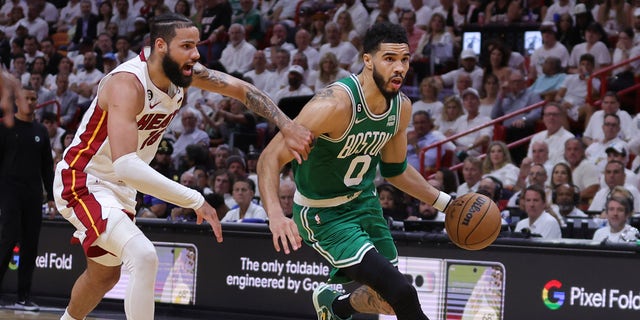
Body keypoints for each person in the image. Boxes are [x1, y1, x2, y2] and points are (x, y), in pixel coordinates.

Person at [53, 13, 312, 320]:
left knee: (103, 278)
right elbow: (125, 165)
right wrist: (194, 198)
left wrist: (287, 125)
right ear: (160, 45)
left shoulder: (185, 74)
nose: (196, 54)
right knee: (144, 256)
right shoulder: (127, 84)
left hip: (121, 189)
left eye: (197, 45)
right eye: (187, 46)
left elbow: (244, 91)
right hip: (85, 179)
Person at [257, 22, 452, 320]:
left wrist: (445, 203)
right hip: (324, 215)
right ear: (368, 60)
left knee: (385, 299)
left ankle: (335, 305)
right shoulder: (334, 105)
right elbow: (269, 158)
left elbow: (395, 170)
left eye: (405, 59)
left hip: (365, 203)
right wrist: (274, 216)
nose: (399, 67)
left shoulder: (401, 108)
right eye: (389, 59)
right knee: (402, 292)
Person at [0, 84, 54, 311]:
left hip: (33, 195)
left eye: (34, 98)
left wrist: (51, 196)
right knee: (9, 238)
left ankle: (23, 297)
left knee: (31, 245)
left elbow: (47, 167)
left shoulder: (40, 131)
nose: (31, 102)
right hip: (9, 191)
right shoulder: (4, 127)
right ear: (17, 101)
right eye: (27, 98)